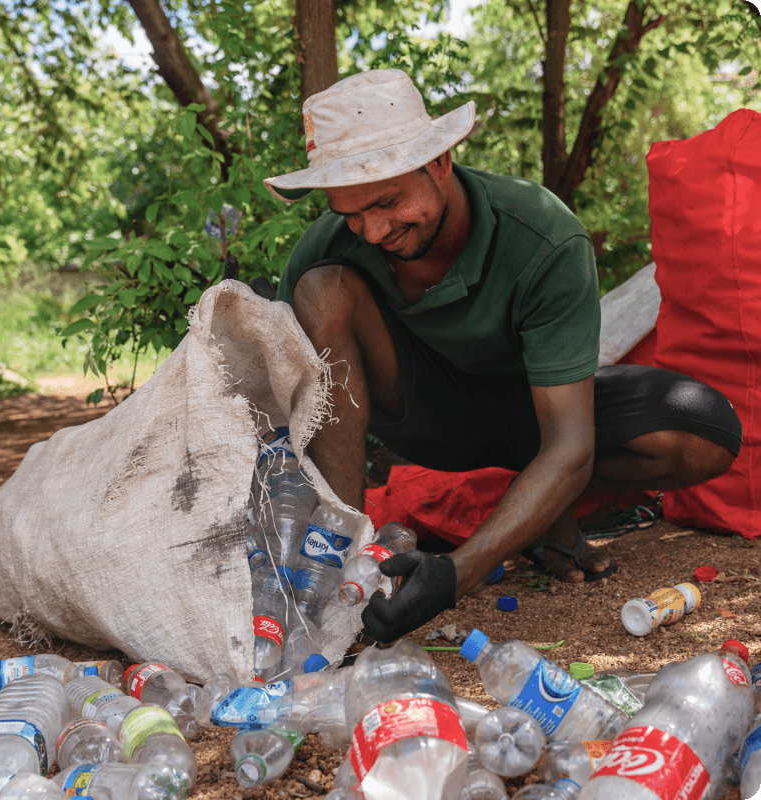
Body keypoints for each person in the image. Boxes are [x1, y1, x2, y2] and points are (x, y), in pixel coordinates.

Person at [263, 69, 742, 644]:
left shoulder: (544, 236)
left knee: (705, 430)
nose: (371, 231)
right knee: (322, 290)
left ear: (439, 162)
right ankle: (339, 566)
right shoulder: (329, 250)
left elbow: (568, 439)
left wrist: (454, 574)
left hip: (533, 416)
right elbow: (295, 401)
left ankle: (536, 512)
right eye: (351, 214)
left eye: (387, 202)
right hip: (420, 417)